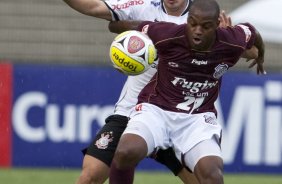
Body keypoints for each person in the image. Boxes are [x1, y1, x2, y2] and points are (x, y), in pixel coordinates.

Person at [63, 0, 259, 184]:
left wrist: (224, 34)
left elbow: (248, 50)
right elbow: (97, 9)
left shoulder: (200, 17)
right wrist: (126, 48)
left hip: (182, 117)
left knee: (206, 179)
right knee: (90, 176)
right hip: (134, 111)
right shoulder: (143, 5)